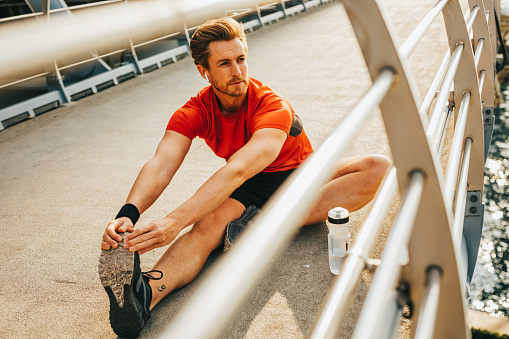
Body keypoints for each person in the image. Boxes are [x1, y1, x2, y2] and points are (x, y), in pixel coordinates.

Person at [98, 17, 391, 338]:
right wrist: (128, 213)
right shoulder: (194, 111)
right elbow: (161, 164)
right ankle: (144, 295)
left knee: (376, 166)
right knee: (206, 228)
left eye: (241, 59)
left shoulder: (272, 105)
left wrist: (174, 220)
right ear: (204, 71)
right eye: (224, 63)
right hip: (250, 184)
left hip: (301, 176)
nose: (237, 71)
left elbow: (237, 168)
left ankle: (260, 225)